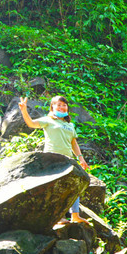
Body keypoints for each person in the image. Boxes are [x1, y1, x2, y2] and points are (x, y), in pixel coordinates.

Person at [19, 95, 90, 224]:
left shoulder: (70, 125)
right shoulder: (48, 120)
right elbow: (31, 123)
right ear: (52, 107)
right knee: (56, 188)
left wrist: (81, 158)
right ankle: (59, 217)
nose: (62, 107)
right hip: (52, 159)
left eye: (64, 105)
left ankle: (75, 215)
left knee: (74, 186)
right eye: (58, 104)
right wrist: (24, 110)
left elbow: (74, 143)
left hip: (68, 159)